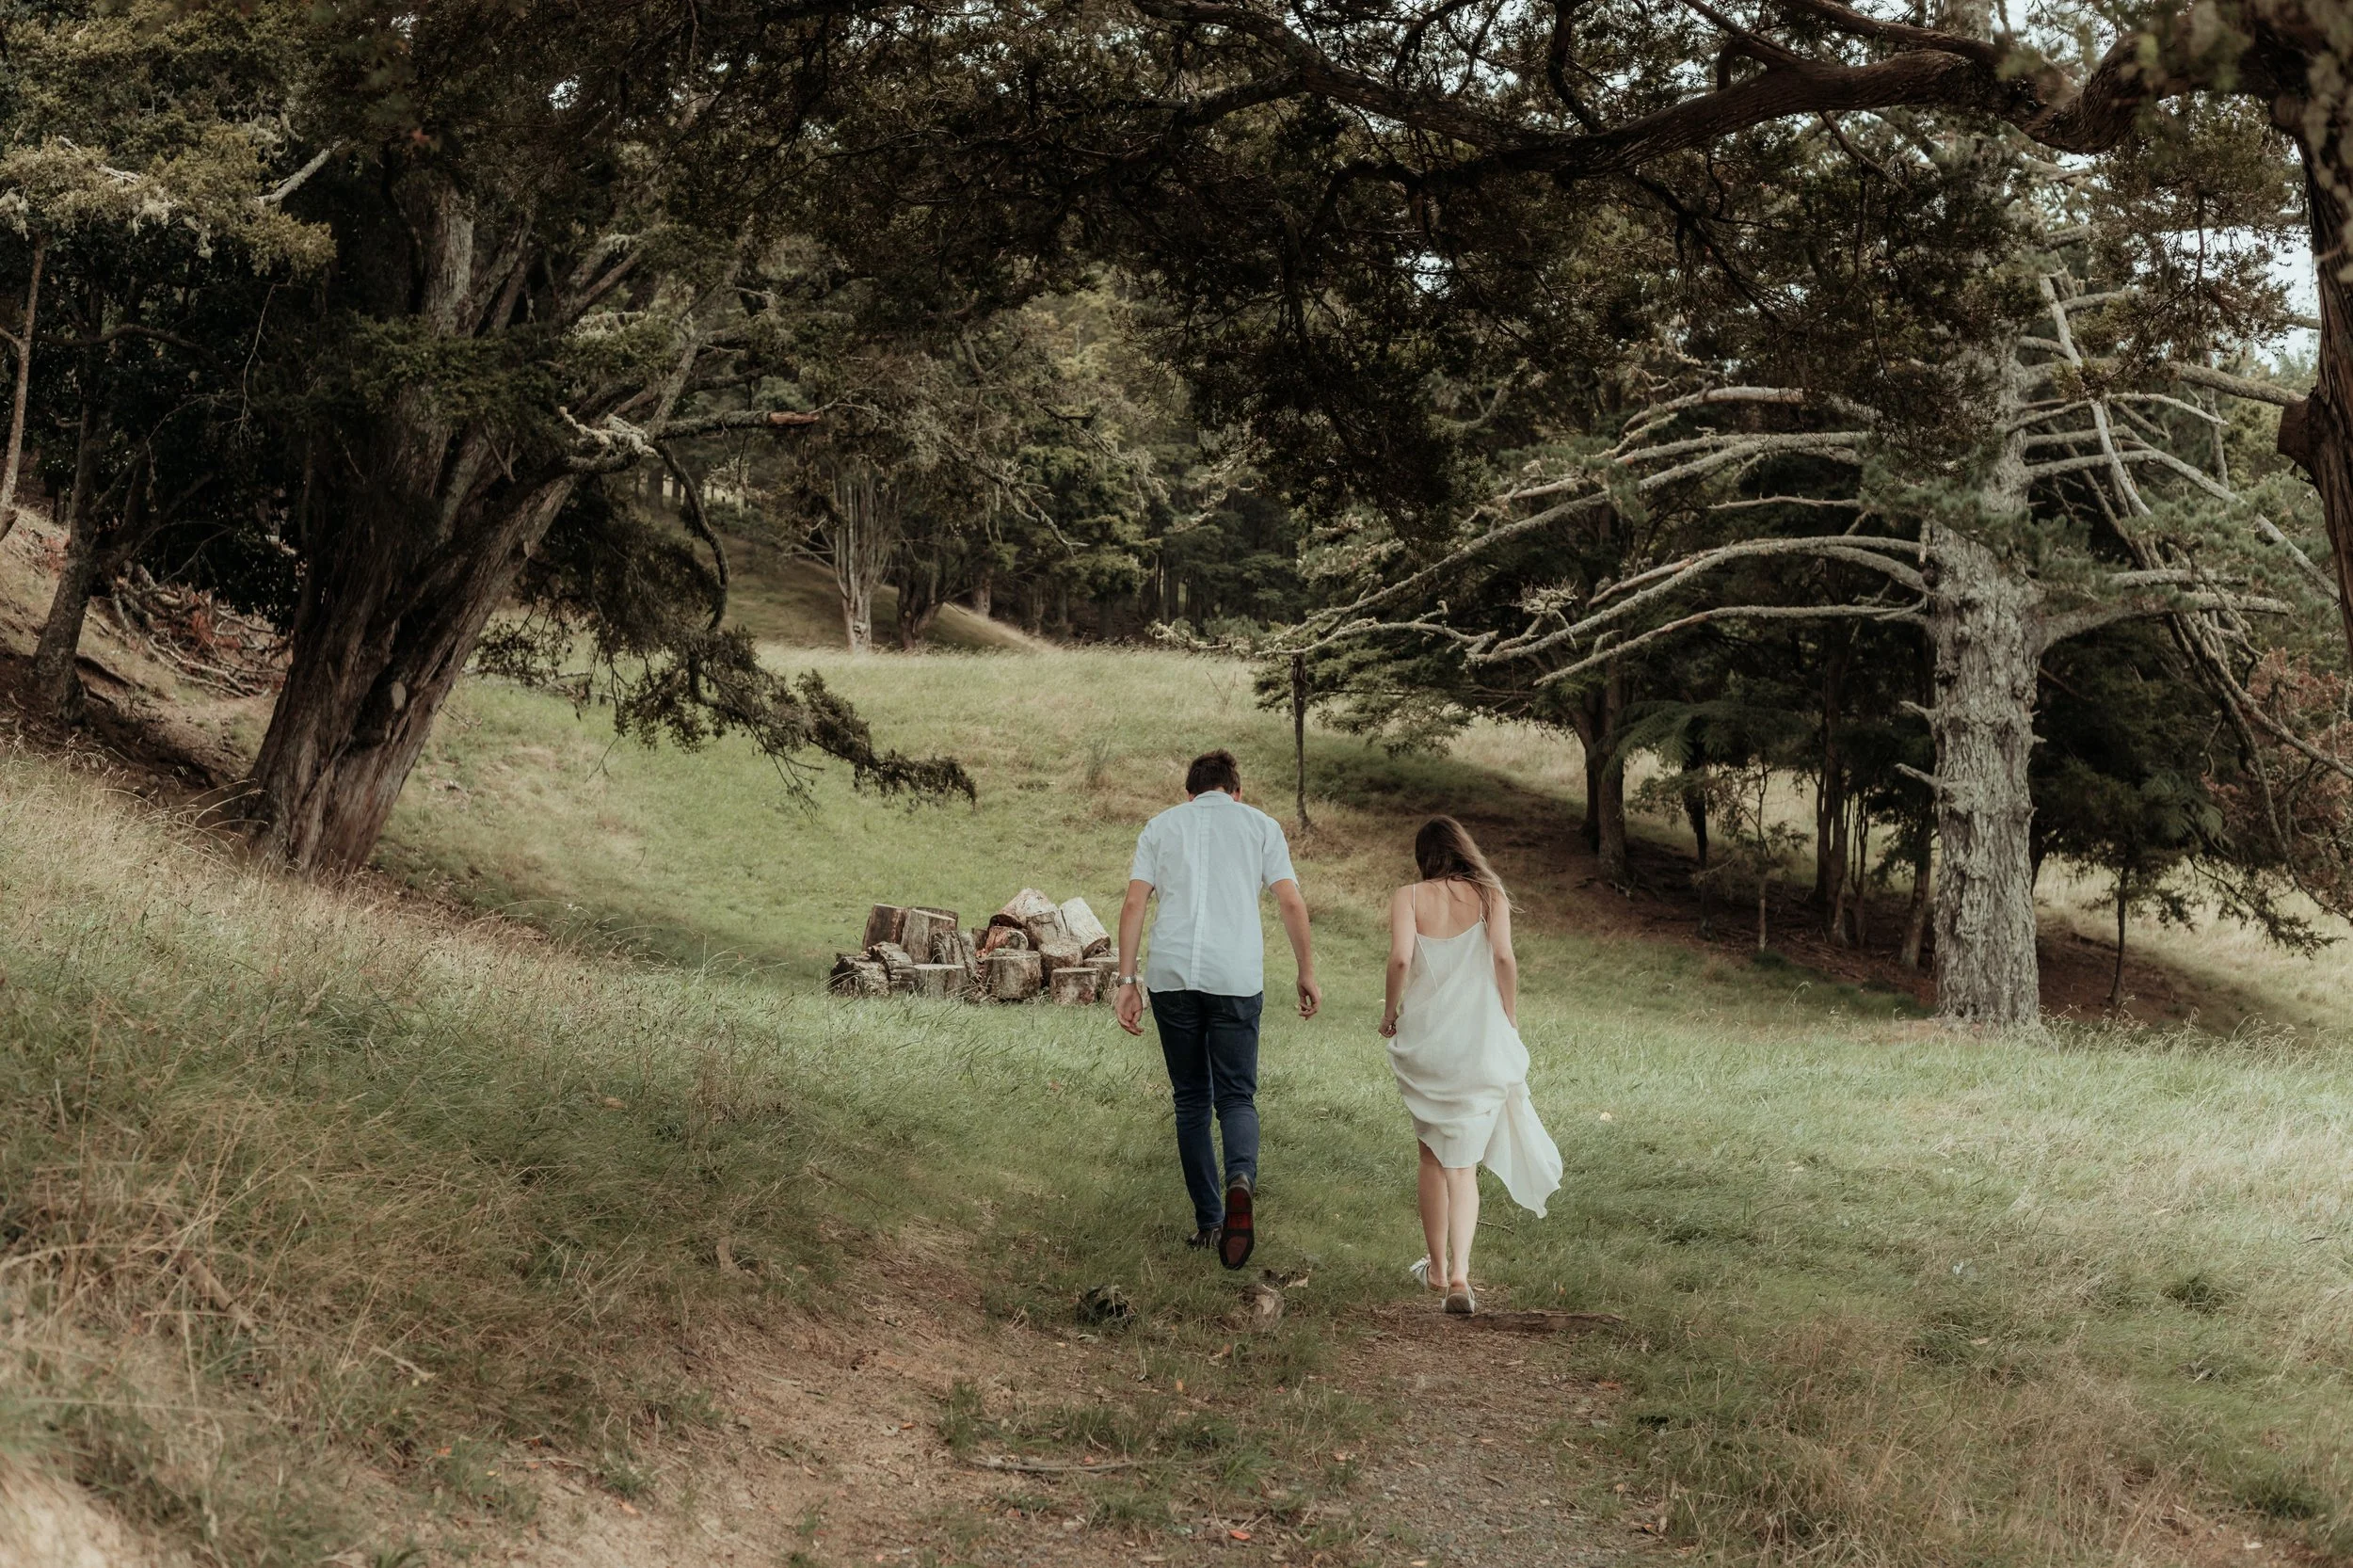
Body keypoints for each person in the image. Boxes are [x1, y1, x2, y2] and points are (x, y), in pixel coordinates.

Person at [1115, 749, 1321, 1270]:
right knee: (1236, 1097)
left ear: (1189, 793)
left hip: (1172, 978)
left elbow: (1135, 903)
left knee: (1190, 1101)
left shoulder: (1161, 827)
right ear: (1237, 790)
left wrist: (1127, 980)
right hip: (1235, 978)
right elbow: (1291, 902)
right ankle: (1241, 1181)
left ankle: (1210, 1223)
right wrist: (1306, 971)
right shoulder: (1260, 826)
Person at [1379, 815, 1561, 1314]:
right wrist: (1511, 1013)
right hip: (1479, 1044)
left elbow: (1399, 960)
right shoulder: (1490, 895)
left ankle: (1435, 1271)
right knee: (1463, 1168)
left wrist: (1389, 1012)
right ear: (1464, 850)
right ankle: (1461, 1277)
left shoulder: (1408, 897)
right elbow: (1504, 957)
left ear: (1424, 856)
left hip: (1428, 1045)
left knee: (1430, 1159)